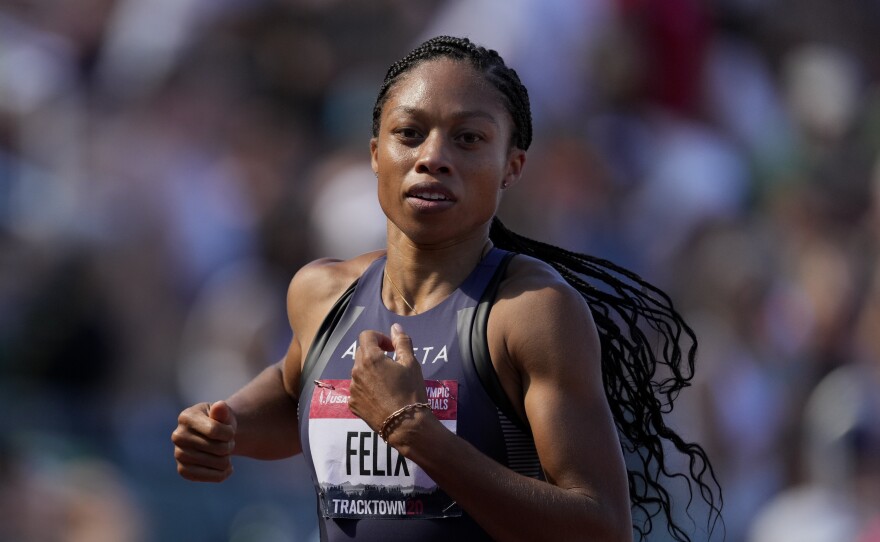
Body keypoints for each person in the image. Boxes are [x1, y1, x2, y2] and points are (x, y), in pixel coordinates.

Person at [172, 35, 722, 541]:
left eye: (468, 138)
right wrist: (230, 423)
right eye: (409, 133)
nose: (433, 158)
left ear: (511, 167)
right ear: (373, 153)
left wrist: (415, 431)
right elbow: (297, 392)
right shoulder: (321, 293)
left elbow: (601, 527)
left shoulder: (529, 312)